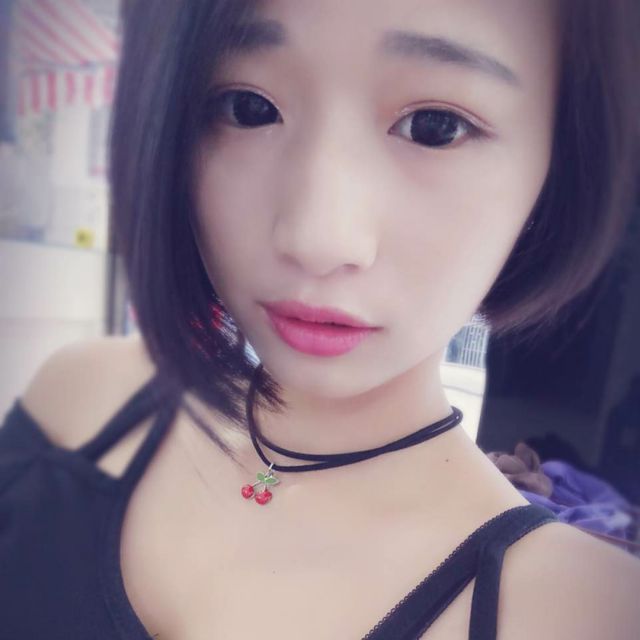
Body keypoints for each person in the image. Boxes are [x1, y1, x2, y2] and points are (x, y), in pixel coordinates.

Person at [2, 1, 640, 638]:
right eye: (248, 108)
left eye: (435, 127)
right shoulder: (80, 404)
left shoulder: (577, 612)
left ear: (558, 163)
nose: (317, 239)